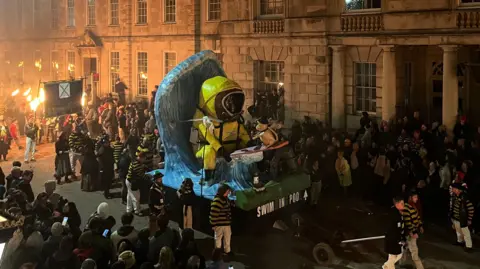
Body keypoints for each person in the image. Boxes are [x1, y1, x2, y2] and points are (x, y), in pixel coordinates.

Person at [402, 191, 424, 269]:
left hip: (412, 230)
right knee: (414, 250)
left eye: (417, 197)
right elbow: (408, 221)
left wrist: (420, 226)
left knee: (406, 247)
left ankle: (401, 261)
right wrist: (413, 232)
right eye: (415, 197)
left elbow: (417, 217)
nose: (417, 199)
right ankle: (420, 267)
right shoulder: (407, 208)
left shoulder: (413, 206)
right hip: (410, 232)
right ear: (410, 198)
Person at [450, 183, 475, 252]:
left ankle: (469, 246)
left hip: (463, 218)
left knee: (465, 232)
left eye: (453, 188)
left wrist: (469, 219)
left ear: (458, 190)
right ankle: (460, 241)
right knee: (458, 231)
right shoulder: (455, 196)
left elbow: (471, 208)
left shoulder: (465, 197)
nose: (452, 190)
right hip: (456, 217)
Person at [383, 196, 406, 269]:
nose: (403, 205)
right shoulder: (393, 214)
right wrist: (398, 240)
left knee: (398, 255)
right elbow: (392, 229)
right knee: (392, 257)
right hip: (392, 240)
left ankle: (386, 266)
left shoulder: (399, 213)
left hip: (396, 239)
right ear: (397, 204)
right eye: (402, 203)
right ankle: (387, 266)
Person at [209, 184, 232, 255]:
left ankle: (227, 251)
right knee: (218, 239)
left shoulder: (226, 199)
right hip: (219, 224)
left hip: (227, 224)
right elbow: (213, 214)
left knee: (227, 238)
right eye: (228, 191)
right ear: (224, 191)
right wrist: (213, 224)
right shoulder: (217, 200)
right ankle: (217, 253)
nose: (229, 192)